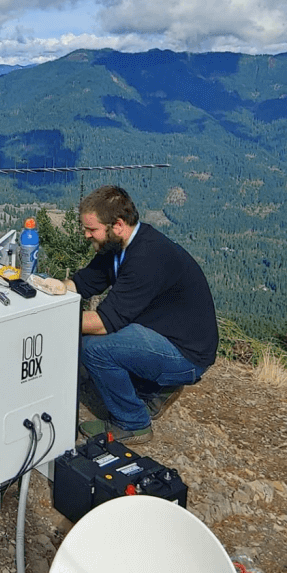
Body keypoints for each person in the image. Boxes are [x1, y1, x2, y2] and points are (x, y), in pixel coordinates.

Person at [55, 185, 218, 445]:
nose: (86, 235)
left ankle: (133, 423)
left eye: (91, 229)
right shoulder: (118, 246)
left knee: (94, 347)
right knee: (106, 340)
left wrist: (50, 320)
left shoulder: (146, 257)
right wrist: (49, 289)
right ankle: (154, 389)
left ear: (117, 225)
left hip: (188, 355)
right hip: (167, 336)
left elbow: (102, 323)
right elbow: (85, 283)